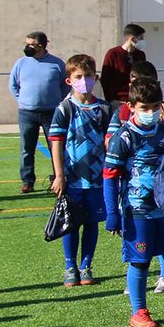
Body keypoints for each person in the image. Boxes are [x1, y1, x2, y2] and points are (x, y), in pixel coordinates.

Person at [102, 78, 164, 327]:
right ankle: (139, 310)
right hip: (137, 209)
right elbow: (110, 176)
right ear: (131, 106)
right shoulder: (124, 137)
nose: (150, 113)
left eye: (154, 107)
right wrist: (112, 213)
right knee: (140, 260)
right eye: (144, 108)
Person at [48, 54, 114, 287]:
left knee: (92, 223)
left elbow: (110, 142)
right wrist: (59, 175)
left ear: (95, 78)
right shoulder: (65, 108)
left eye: (87, 76)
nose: (83, 80)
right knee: (71, 222)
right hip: (72, 179)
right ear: (69, 80)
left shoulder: (104, 108)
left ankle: (86, 265)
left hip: (97, 179)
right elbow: (56, 141)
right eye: (78, 76)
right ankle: (70, 266)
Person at [9, 31, 66, 194]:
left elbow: (65, 84)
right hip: (27, 113)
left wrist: (56, 100)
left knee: (56, 146)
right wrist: (22, 100)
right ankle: (27, 181)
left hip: (51, 112)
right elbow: (13, 85)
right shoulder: (20, 63)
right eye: (26, 44)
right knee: (27, 148)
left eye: (30, 45)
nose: (26, 47)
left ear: (41, 46)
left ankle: (58, 177)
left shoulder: (56, 63)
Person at [101, 24, 147, 104]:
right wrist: (107, 100)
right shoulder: (113, 53)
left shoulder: (140, 55)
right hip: (118, 100)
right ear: (133, 39)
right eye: (141, 38)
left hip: (136, 99)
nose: (143, 41)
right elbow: (105, 79)